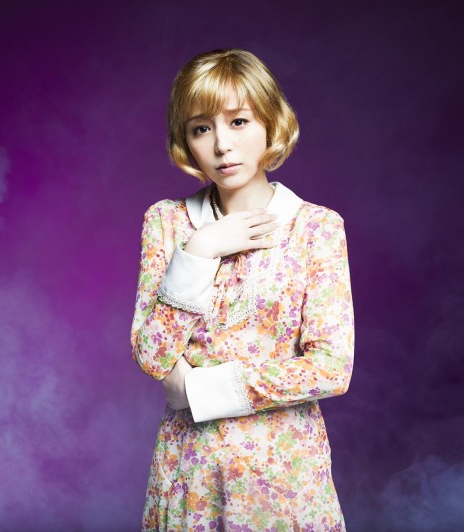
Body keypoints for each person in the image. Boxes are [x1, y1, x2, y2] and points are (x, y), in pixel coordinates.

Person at [130, 48, 354, 531]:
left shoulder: (315, 228)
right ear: (187, 141)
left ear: (271, 122)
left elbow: (331, 369)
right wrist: (201, 250)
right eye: (201, 128)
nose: (222, 145)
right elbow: (151, 354)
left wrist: (200, 390)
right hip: (191, 468)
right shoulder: (168, 222)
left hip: (284, 472)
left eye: (238, 122)